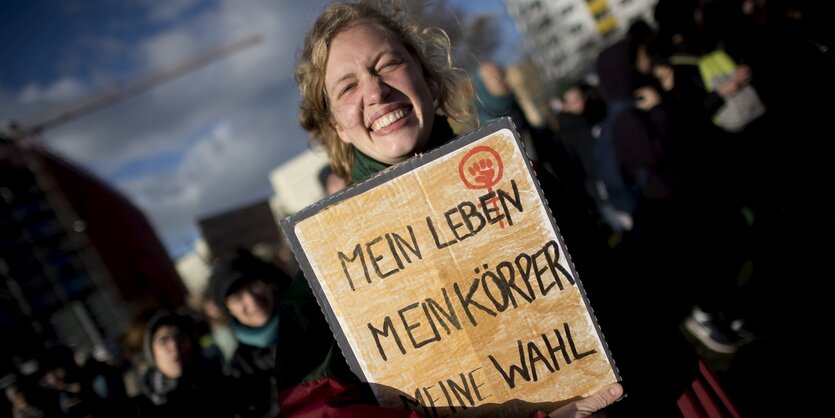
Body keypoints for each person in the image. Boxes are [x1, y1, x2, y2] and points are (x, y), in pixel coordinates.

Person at [292, 1, 623, 416]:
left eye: (387, 64)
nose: (375, 92)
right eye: (347, 87)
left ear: (429, 82)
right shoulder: (327, 263)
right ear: (337, 125)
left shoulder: (520, 175)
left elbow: (622, 304)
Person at [133, 311, 229, 418]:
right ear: (151, 354)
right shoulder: (140, 409)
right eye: (163, 341)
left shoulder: (219, 386)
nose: (174, 347)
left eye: (180, 338)